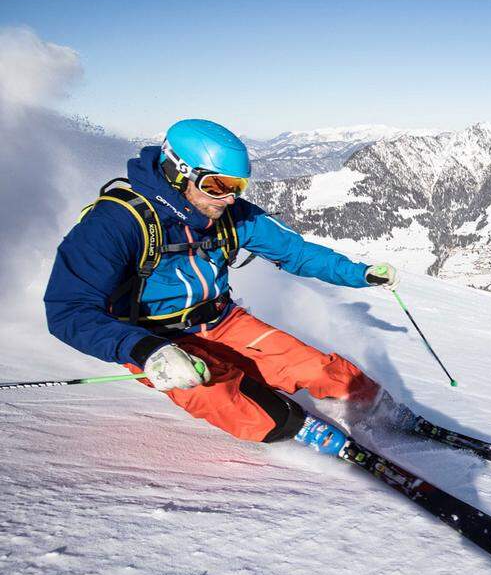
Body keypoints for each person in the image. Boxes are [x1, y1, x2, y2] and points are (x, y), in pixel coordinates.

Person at [44, 119, 403, 449]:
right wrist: (145, 351)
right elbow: (68, 310)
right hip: (157, 339)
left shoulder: (228, 214)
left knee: (321, 370)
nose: (230, 197)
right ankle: (300, 436)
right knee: (242, 405)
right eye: (217, 185)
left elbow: (295, 251)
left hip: (222, 320)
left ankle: (385, 414)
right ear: (177, 171)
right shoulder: (116, 222)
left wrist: (360, 274)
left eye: (237, 186)